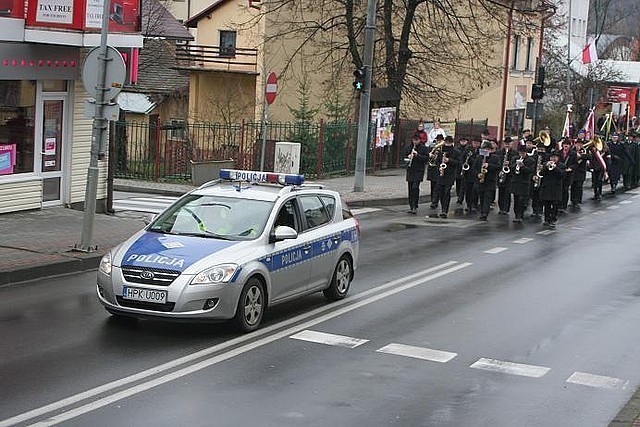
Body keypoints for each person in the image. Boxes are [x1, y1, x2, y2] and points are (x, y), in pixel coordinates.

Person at [431, 135, 460, 218]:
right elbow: (437, 162)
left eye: (449, 143)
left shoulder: (456, 152)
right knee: (441, 192)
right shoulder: (441, 150)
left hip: (450, 174)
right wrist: (439, 167)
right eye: (446, 142)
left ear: (452, 143)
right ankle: (442, 206)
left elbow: (458, 163)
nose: (447, 144)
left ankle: (445, 210)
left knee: (447, 192)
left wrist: (449, 160)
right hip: (441, 174)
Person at [509, 141, 536, 223]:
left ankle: (520, 215)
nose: (521, 155)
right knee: (516, 199)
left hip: (524, 182)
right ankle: (516, 215)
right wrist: (516, 165)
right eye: (520, 153)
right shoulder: (514, 158)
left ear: (526, 153)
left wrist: (523, 166)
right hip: (515, 182)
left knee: (522, 200)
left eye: (523, 153)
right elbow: (511, 168)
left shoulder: (530, 160)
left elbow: (530, 170)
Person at [473, 140, 500, 221]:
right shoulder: (479, 157)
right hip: (481, 181)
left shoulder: (495, 157)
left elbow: (498, 167)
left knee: (487, 198)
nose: (486, 151)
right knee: (481, 197)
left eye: (488, 149)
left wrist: (489, 165)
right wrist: (478, 174)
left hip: (490, 181)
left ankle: (485, 213)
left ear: (491, 150)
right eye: (484, 149)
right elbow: (474, 168)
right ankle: (482, 212)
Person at [538, 150, 566, 228]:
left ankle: (553, 219)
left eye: (555, 157)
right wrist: (545, 167)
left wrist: (555, 167)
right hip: (547, 186)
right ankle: (546, 219)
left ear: (558, 158)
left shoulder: (562, 165)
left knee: (555, 204)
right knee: (546, 204)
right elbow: (541, 174)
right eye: (552, 157)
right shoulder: (545, 164)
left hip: (556, 187)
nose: (553, 159)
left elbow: (562, 175)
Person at [404, 134, 428, 214]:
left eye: (417, 140)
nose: (415, 142)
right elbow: (403, 159)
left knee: (415, 187)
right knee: (410, 188)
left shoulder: (424, 148)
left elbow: (426, 159)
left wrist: (417, 155)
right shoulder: (408, 147)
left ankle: (415, 205)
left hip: (419, 170)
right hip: (410, 170)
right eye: (414, 140)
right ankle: (411, 206)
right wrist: (408, 157)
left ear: (419, 140)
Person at [497, 137, 515, 215]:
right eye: (506, 143)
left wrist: (509, 163)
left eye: (509, 143)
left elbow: (515, 164)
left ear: (512, 144)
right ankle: (501, 208)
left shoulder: (515, 153)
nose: (507, 145)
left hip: (510, 175)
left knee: (507, 192)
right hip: (501, 174)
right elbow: (497, 162)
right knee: (501, 191)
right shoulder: (499, 152)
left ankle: (506, 209)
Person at [557, 137, 576, 213]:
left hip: (568, 174)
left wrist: (571, 168)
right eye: (565, 144)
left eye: (567, 145)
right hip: (560, 173)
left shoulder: (573, 154)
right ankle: (558, 204)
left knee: (565, 189)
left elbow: (575, 164)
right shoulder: (558, 152)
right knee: (559, 189)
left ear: (570, 146)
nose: (566, 146)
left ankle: (564, 205)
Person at [462, 139, 480, 212]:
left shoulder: (480, 150)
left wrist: (471, 158)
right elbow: (462, 158)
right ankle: (468, 204)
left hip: (476, 173)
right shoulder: (468, 149)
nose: (475, 144)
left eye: (477, 143)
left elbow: (479, 161)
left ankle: (474, 204)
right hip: (468, 173)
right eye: (474, 142)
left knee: (475, 190)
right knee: (468, 190)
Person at [427, 134, 444, 209]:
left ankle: (435, 202)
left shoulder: (443, 149)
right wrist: (430, 155)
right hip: (432, 168)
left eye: (440, 140)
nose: (438, 141)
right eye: (437, 140)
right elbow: (427, 158)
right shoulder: (432, 147)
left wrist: (437, 156)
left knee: (437, 186)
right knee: (432, 186)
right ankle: (432, 200)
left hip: (439, 168)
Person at [569, 138, 588, 208]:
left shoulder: (584, 151)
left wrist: (581, 155)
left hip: (581, 171)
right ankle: (572, 200)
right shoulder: (572, 151)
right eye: (577, 144)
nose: (579, 145)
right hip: (574, 171)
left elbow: (589, 157)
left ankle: (578, 200)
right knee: (573, 186)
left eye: (580, 144)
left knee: (579, 186)